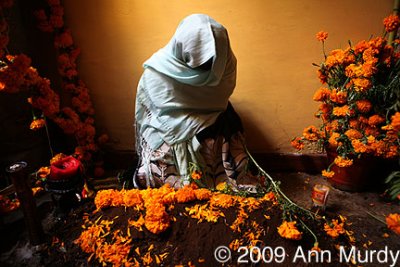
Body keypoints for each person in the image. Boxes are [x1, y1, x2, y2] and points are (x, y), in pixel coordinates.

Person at [133, 14, 260, 190]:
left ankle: (215, 178)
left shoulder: (226, 63)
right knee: (160, 161)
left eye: (210, 62)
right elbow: (151, 112)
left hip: (213, 113)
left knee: (225, 143)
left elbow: (220, 97)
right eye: (200, 63)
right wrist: (181, 132)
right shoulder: (157, 72)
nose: (206, 70)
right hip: (167, 124)